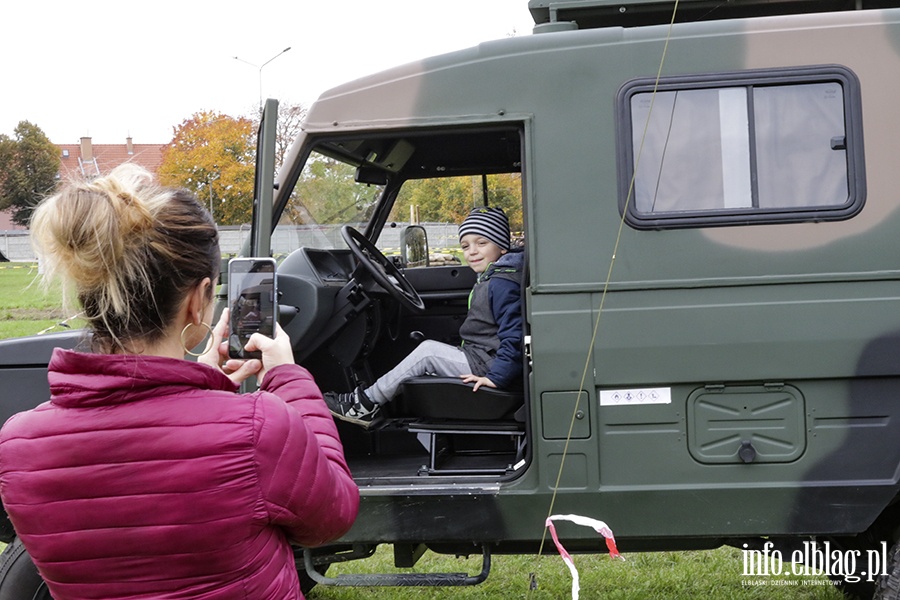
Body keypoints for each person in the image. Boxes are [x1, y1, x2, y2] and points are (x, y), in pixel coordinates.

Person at [0, 164, 359, 599]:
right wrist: (288, 377)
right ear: (197, 300)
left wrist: (199, 385)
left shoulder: (18, 446)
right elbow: (333, 514)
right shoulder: (256, 427)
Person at [326, 206, 524, 427]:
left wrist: (497, 377)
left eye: (482, 243)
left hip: (489, 366)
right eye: (465, 246)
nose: (472, 252)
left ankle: (363, 405)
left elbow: (515, 338)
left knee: (427, 353)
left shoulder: (502, 284)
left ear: (503, 247)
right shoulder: (494, 277)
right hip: (483, 357)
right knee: (428, 352)